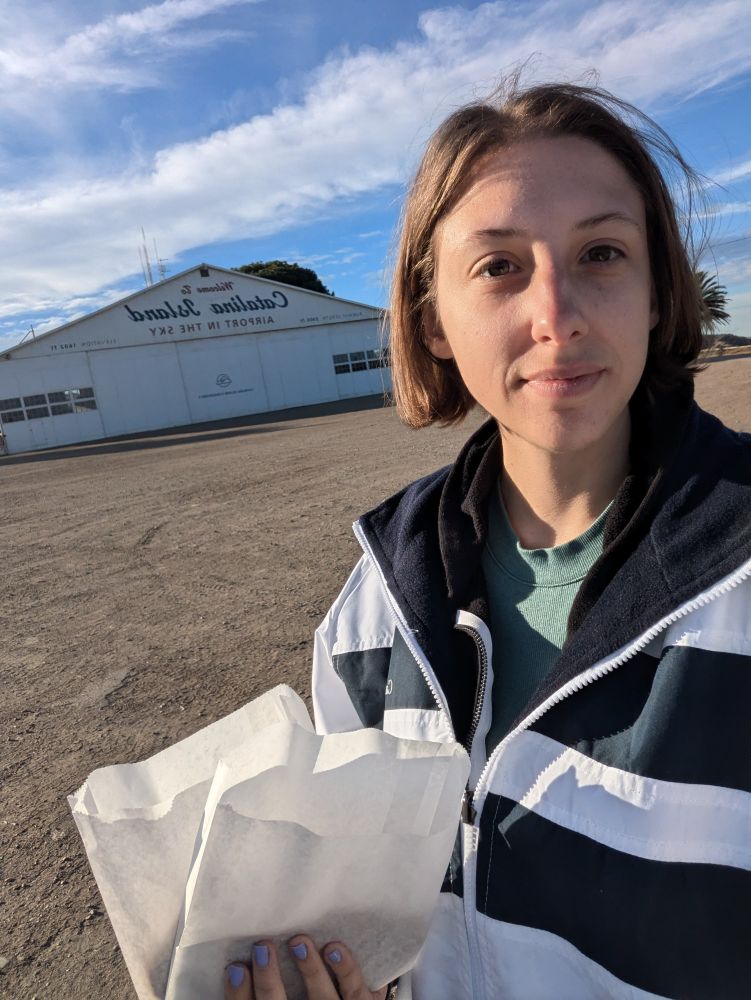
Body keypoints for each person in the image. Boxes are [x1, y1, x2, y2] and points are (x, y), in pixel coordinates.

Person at [224, 79, 751, 999]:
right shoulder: (374, 608)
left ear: (658, 292)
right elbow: (365, 924)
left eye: (601, 252)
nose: (557, 314)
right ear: (431, 321)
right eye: (499, 267)